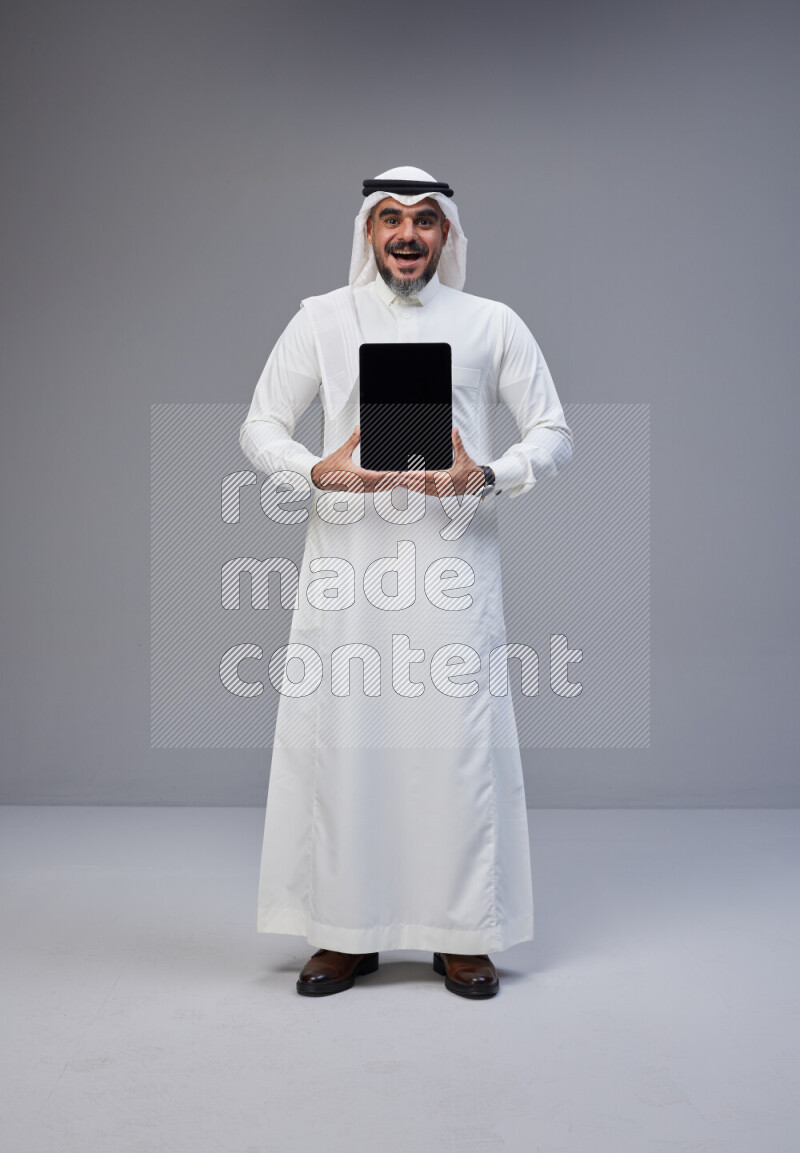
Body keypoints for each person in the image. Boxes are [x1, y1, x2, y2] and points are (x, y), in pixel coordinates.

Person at [239, 166, 573, 999]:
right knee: (348, 744)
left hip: (453, 570)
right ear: (367, 230)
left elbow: (554, 431)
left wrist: (487, 474)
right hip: (348, 573)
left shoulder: (491, 322)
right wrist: (316, 471)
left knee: (454, 748)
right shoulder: (321, 319)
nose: (407, 234)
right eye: (390, 217)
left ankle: (462, 934)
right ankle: (344, 934)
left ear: (449, 234)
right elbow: (259, 425)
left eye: (425, 220)